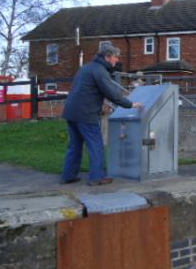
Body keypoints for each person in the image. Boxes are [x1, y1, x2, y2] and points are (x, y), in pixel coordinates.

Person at [61, 44, 143, 186]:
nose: (117, 60)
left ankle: (68, 176)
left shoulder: (86, 67)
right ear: (107, 57)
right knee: (96, 145)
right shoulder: (100, 71)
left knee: (74, 145)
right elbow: (111, 93)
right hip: (85, 114)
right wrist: (130, 104)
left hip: (71, 112)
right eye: (115, 57)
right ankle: (97, 177)